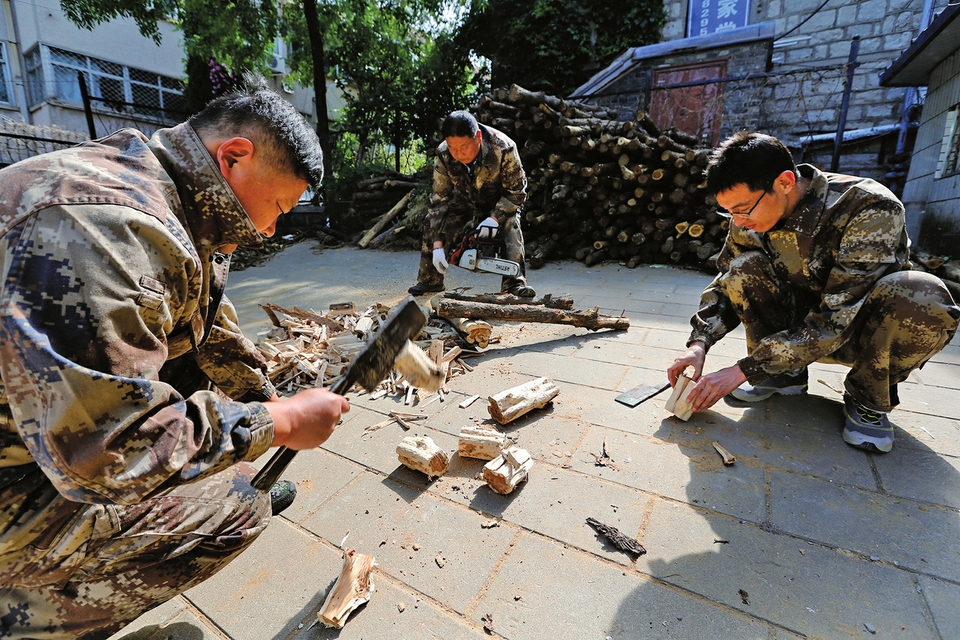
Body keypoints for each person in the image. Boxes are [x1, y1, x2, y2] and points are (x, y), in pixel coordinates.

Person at [0, 77, 349, 638]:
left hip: (30, 427)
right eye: (279, 207)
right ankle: (29, 620)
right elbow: (109, 450)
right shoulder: (108, 231)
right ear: (234, 157)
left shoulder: (163, 189)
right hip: (33, 476)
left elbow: (204, 329)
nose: (269, 230)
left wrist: (263, 399)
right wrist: (276, 424)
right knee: (239, 512)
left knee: (218, 437)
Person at [667, 132, 959, 453]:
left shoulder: (870, 208)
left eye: (743, 209)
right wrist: (699, 343)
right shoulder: (751, 216)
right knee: (743, 267)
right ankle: (784, 373)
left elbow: (837, 316)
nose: (739, 222)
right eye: (729, 212)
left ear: (785, 182)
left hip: (861, 332)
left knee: (922, 294)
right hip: (796, 330)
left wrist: (744, 370)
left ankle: (868, 397)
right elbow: (726, 281)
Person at [408, 110, 534, 297]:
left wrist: (494, 218)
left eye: (464, 146)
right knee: (433, 219)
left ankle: (515, 283)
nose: (459, 153)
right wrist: (437, 247)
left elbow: (516, 194)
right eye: (453, 148)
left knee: (511, 223)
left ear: (478, 136)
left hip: (500, 203)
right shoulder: (443, 154)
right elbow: (439, 203)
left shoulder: (504, 148)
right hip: (465, 201)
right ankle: (430, 280)